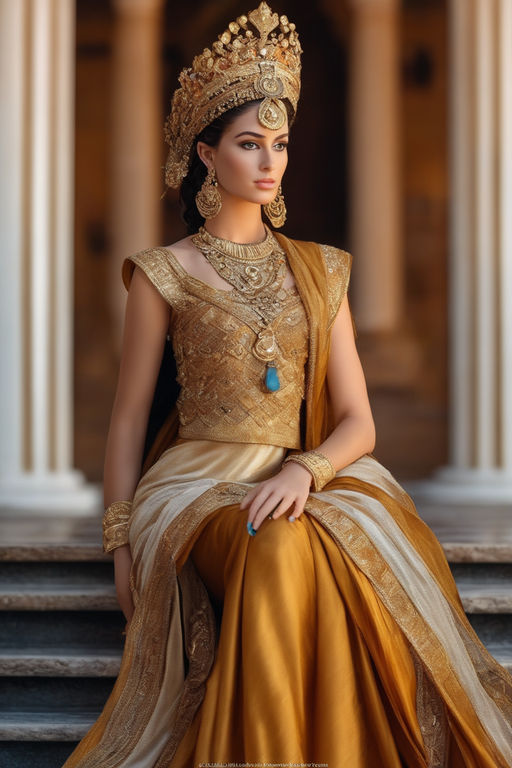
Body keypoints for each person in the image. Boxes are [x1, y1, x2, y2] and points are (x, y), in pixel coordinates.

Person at [64, 4, 512, 767]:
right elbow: (130, 415)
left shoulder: (323, 268)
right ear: (206, 154)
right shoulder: (161, 273)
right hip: (190, 488)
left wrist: (305, 468)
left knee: (297, 543)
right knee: (279, 546)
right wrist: (119, 544)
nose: (269, 162)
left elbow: (359, 423)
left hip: (297, 481)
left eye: (278, 144)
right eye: (247, 145)